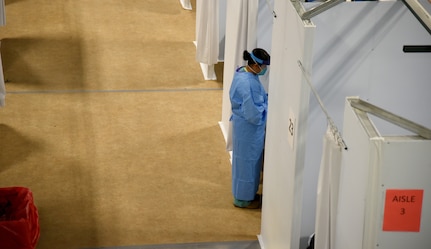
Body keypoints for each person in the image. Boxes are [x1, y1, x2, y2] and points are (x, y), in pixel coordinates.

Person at [229, 48, 270, 209]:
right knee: (247, 164)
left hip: (244, 127)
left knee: (246, 163)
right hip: (249, 129)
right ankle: (243, 199)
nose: (265, 70)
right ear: (255, 65)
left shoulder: (243, 72)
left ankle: (245, 194)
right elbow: (253, 113)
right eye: (264, 66)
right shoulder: (248, 83)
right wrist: (267, 107)